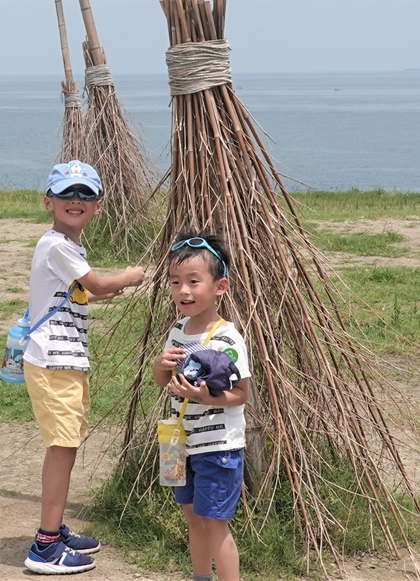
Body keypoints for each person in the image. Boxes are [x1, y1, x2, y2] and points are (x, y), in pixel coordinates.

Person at [22, 161, 144, 575]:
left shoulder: (70, 248)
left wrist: (104, 290)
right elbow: (96, 285)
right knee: (62, 449)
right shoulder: (55, 244)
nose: (76, 201)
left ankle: (53, 531)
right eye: (67, 194)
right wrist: (128, 277)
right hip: (55, 362)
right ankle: (44, 547)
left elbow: (78, 294)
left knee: (65, 446)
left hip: (66, 360)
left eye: (85, 195)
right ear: (48, 202)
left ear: (98, 206)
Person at [152, 235, 252, 581]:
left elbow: (241, 394)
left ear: (220, 286)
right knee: (193, 515)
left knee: (215, 522)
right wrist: (161, 364)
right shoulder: (178, 330)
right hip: (182, 443)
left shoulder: (227, 337)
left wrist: (205, 398)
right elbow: (161, 379)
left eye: (194, 282)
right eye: (176, 282)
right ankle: (200, 577)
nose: (183, 291)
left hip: (218, 447)